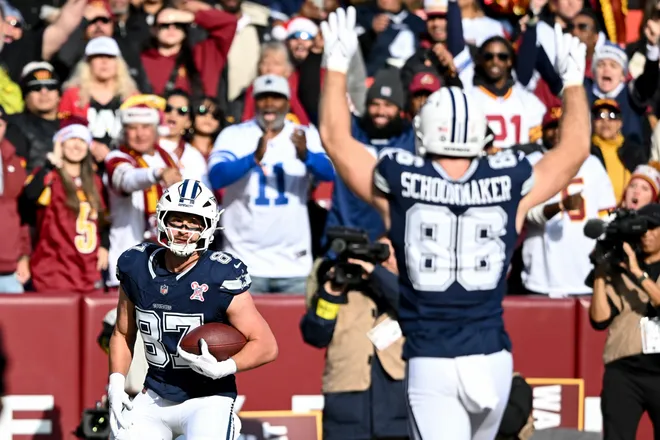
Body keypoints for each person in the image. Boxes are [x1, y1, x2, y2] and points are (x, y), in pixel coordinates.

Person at [318, 7, 589, 440]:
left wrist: (335, 65)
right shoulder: (508, 183)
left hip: (433, 359)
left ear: (423, 131)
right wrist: (573, 82)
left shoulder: (405, 183)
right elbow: (574, 149)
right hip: (492, 358)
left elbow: (335, 139)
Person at [107, 179, 278, 440]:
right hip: (154, 395)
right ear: (162, 219)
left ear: (208, 227)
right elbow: (122, 332)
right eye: (177, 221)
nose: (184, 231)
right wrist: (116, 383)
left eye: (194, 224)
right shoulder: (136, 264)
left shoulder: (220, 274)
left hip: (209, 398)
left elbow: (266, 345)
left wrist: (226, 367)